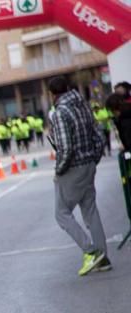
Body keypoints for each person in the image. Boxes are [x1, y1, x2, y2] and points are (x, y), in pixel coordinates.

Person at [47, 76, 109, 275]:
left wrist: (59, 170)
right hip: (89, 164)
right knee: (90, 210)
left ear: (53, 94)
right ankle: (103, 257)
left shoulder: (59, 113)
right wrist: (94, 158)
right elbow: (98, 135)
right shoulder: (83, 106)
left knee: (62, 214)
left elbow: (65, 147)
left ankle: (90, 251)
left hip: (73, 168)